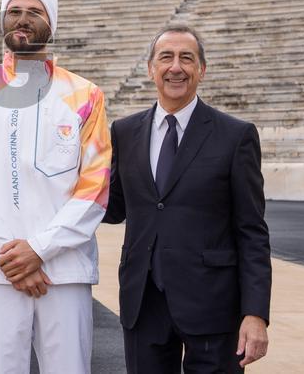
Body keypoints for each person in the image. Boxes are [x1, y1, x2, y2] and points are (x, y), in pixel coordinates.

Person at [0, 0, 111, 373]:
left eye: (34, 13)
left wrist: (39, 249)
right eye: (14, 11)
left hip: (64, 271)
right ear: (3, 20)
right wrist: (13, 257)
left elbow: (95, 188)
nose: (22, 20)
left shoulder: (86, 95)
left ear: (50, 23)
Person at [104, 23, 271, 373]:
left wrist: (255, 314)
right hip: (143, 304)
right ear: (151, 69)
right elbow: (112, 207)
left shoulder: (235, 136)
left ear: (202, 70)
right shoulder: (125, 131)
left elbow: (252, 231)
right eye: (166, 57)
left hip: (213, 308)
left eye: (187, 58)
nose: (175, 67)